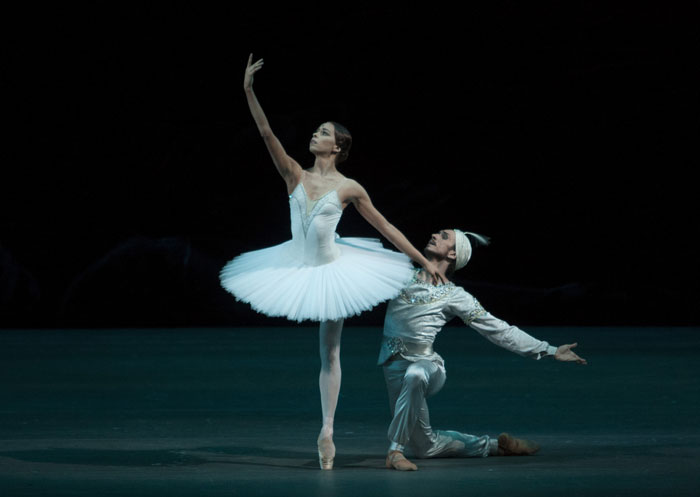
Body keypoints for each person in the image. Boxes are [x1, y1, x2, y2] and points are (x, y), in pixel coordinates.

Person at [220, 54, 445, 470]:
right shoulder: (294, 174)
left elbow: (386, 227)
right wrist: (249, 91)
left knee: (331, 353)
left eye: (323, 133)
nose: (315, 134)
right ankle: (326, 429)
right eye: (316, 130)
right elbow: (266, 132)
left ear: (337, 147)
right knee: (326, 352)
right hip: (292, 264)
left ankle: (327, 430)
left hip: (334, 271)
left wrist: (422, 260)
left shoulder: (348, 188)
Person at [379, 228, 587, 471]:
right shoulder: (401, 276)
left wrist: (549, 349)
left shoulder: (455, 295)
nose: (435, 235)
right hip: (393, 366)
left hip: (427, 366)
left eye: (444, 236)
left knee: (415, 374)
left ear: (453, 254)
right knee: (426, 447)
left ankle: (395, 451)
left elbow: (498, 330)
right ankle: (495, 446)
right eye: (437, 233)